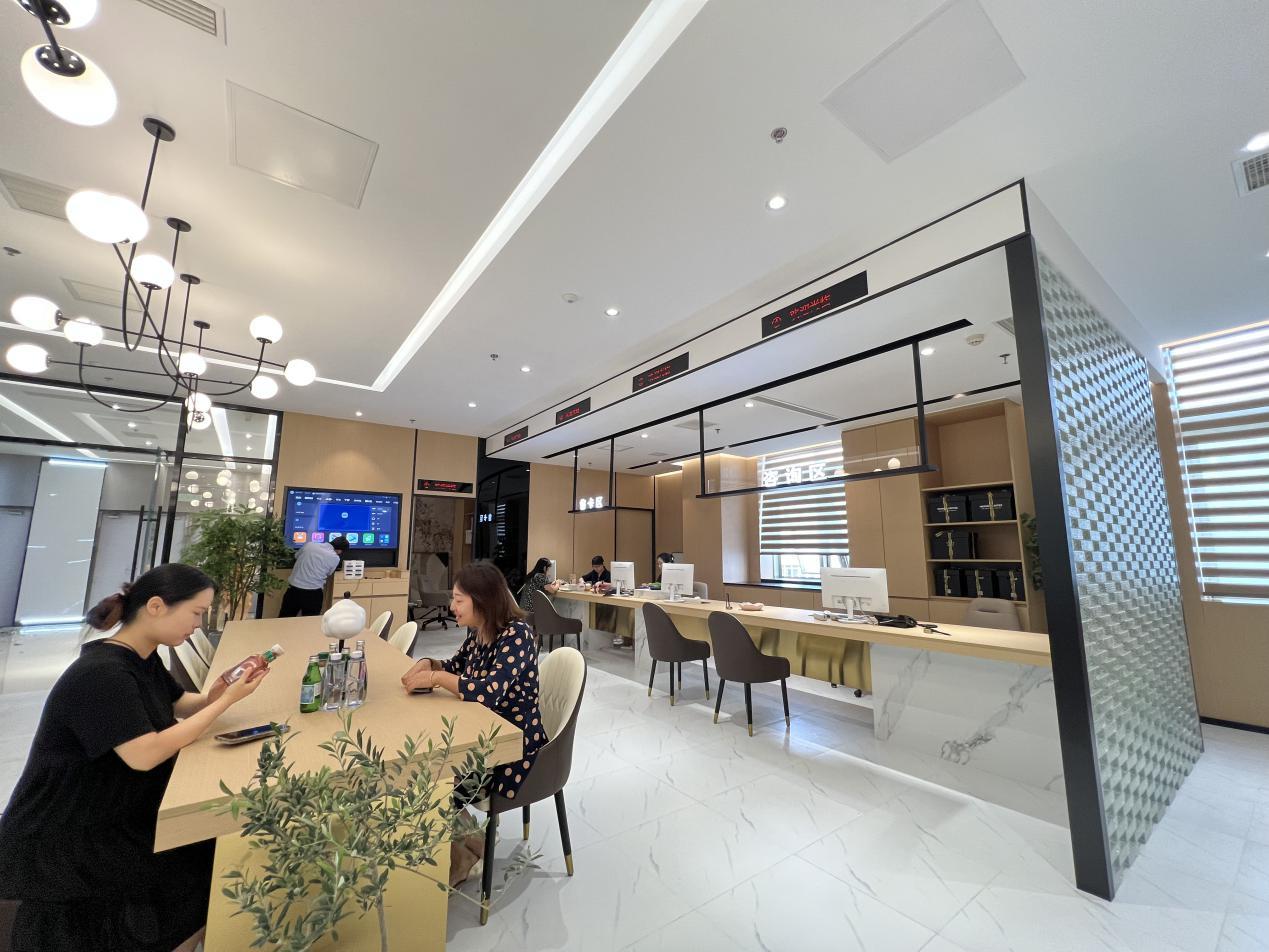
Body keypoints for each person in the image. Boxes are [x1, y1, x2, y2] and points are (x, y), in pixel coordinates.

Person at [0, 563, 270, 952]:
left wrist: (217, 693)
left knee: (213, 852)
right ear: (156, 606)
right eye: (196, 612)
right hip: (70, 836)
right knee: (206, 866)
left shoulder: (140, 658)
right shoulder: (101, 674)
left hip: (113, 809)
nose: (198, 624)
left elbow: (180, 704)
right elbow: (145, 754)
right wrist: (225, 702)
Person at [400, 561, 546, 884]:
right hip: (480, 734)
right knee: (428, 774)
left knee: (435, 785)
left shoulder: (517, 635)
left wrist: (436, 678)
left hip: (510, 747)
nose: (452, 607)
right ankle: (473, 842)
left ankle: (464, 855)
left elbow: (488, 692)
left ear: (483, 601)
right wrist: (430, 663)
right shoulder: (481, 632)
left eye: (458, 600)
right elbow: (456, 665)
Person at [280, 535, 350, 617]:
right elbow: (329, 573)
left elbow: (296, 556)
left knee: (285, 617)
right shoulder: (335, 558)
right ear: (340, 551)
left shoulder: (310, 545)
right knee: (310, 621)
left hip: (293, 589)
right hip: (313, 593)